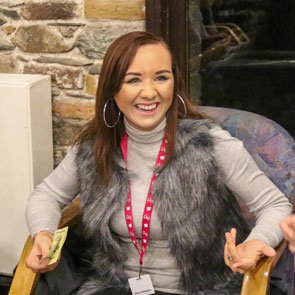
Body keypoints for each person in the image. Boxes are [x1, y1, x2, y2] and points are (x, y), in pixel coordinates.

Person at [25, 31, 292, 295]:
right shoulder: (93, 149)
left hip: (205, 288)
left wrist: (255, 242)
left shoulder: (210, 145)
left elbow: (275, 205)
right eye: (133, 80)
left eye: (161, 78)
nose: (150, 92)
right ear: (112, 89)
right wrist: (44, 233)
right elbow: (46, 194)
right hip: (115, 286)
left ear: (174, 84)